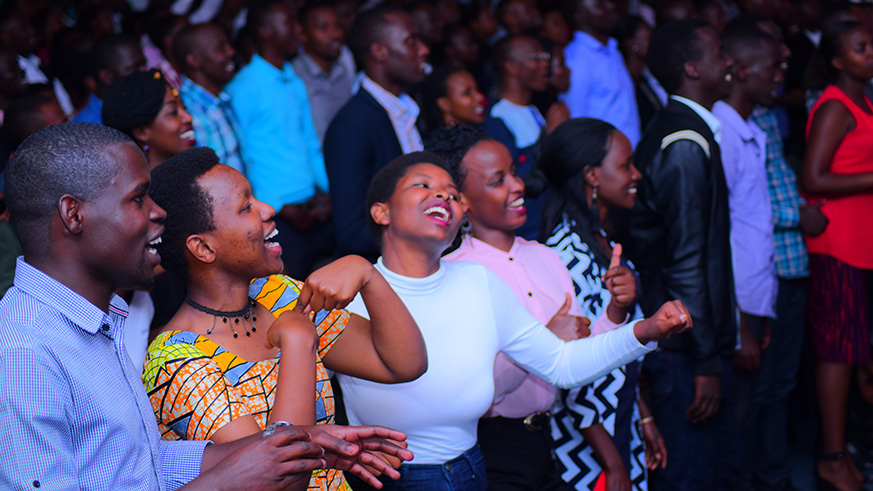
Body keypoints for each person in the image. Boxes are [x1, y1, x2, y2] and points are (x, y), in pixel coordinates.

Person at [0, 122, 415, 491]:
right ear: (74, 215)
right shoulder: (24, 352)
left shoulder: (94, 324)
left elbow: (137, 465)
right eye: (138, 199)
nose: (158, 212)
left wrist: (291, 447)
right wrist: (227, 479)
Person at [337, 150, 693, 490]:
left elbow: (562, 364)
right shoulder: (348, 290)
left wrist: (645, 330)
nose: (443, 196)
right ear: (381, 213)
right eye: (423, 185)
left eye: (452, 193)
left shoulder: (479, 283)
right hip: (389, 480)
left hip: (472, 472)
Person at [144, 147, 427, 491]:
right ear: (203, 248)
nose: (268, 210)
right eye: (246, 207)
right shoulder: (176, 361)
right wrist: (298, 342)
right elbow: (283, 482)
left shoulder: (278, 294)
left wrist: (367, 273)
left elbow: (402, 363)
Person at [430, 125, 587, 491]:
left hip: (549, 437)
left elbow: (578, 362)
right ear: (462, 200)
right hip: (492, 444)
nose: (518, 186)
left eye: (514, 173)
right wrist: (544, 341)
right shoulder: (456, 274)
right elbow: (472, 391)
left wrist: (619, 318)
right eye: (498, 180)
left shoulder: (546, 257)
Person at [624, 19, 739, 490]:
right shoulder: (684, 143)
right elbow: (686, 260)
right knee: (692, 474)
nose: (729, 61)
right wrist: (707, 359)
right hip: (682, 347)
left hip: (686, 338)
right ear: (692, 67)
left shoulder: (686, 130)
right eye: (719, 52)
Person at [538, 118, 665, 491]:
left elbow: (623, 348)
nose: (636, 174)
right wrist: (614, 464)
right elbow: (572, 371)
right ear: (592, 175)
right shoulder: (563, 254)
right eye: (626, 165)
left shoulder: (601, 239)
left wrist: (643, 418)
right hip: (589, 444)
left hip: (619, 420)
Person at [802, 20, 873, 491]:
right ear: (835, 59)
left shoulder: (861, 101)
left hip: (860, 245)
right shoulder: (834, 106)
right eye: (861, 47)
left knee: (857, 353)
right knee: (837, 353)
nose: (871, 53)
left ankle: (849, 450)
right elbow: (812, 179)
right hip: (839, 247)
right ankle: (831, 457)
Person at [711, 26, 783, 491]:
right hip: (737, 305)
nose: (780, 77)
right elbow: (717, 233)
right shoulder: (724, 135)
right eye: (772, 68)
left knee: (756, 406)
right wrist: (739, 324)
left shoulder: (750, 128)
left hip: (756, 297)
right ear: (741, 71)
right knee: (733, 421)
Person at [227, 0, 332, 279]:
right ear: (265, 32)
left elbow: (310, 143)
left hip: (314, 209)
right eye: (290, 23)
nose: (299, 31)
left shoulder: (293, 80)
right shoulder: (243, 88)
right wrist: (276, 207)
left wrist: (331, 191)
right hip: (276, 216)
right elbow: (242, 156)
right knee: (287, 301)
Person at [323, 5, 430, 261]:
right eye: (411, 41)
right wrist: (423, 233)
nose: (424, 49)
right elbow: (351, 230)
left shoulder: (411, 109)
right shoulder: (351, 126)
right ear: (380, 52)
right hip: (385, 277)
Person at [485, 34, 569, 240]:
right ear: (512, 67)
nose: (545, 65)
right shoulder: (497, 117)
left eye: (545, 57)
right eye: (536, 58)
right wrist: (550, 135)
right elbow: (516, 180)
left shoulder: (533, 110)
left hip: (554, 226)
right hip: (530, 233)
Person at [561, 0, 641, 148]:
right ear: (579, 16)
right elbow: (575, 121)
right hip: (604, 161)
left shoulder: (611, 48)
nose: (611, 6)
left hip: (627, 157)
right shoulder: (576, 59)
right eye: (600, 5)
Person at [174, 22, 247, 175]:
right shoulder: (185, 111)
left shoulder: (222, 97)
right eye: (221, 48)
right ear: (194, 60)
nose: (231, 52)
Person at [102, 69, 196, 170]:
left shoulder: (197, 170)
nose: (188, 118)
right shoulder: (149, 185)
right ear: (142, 132)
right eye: (173, 112)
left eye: (184, 108)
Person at [292, 1, 357, 142]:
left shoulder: (344, 68)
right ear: (302, 34)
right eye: (324, 28)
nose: (335, 34)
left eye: (337, 26)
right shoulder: (294, 76)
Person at [72, 34, 146, 124]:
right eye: (135, 68)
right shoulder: (86, 128)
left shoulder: (142, 104)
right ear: (106, 77)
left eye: (144, 65)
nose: (145, 72)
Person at [419, 66, 486, 134]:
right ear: (444, 104)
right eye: (467, 93)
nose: (480, 97)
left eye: (477, 89)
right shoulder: (441, 143)